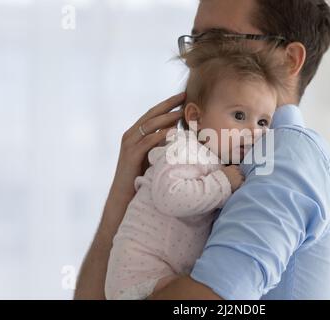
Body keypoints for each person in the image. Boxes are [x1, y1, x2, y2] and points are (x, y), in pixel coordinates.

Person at [75, 0, 330, 300]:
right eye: (196, 40)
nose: (197, 61)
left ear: (289, 60)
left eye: (220, 40)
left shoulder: (286, 155)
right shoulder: (214, 158)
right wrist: (121, 201)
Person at [104, 39, 288, 300]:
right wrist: (223, 183)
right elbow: (170, 196)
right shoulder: (182, 149)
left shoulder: (217, 160)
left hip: (166, 275)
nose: (254, 132)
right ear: (195, 118)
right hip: (141, 275)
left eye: (262, 122)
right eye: (238, 116)